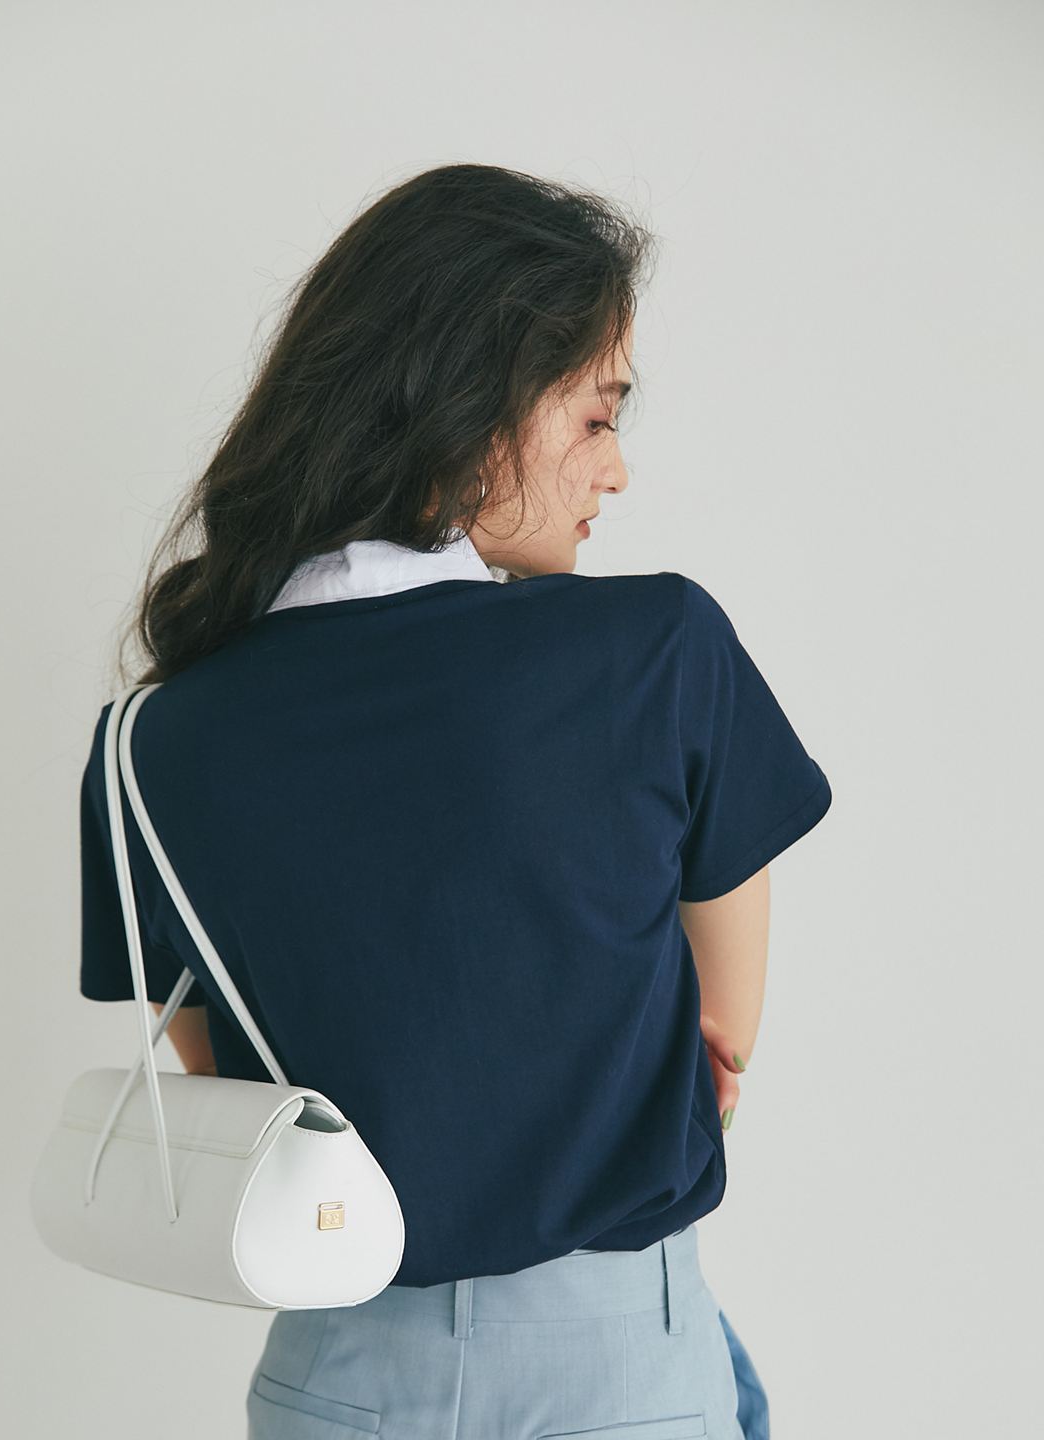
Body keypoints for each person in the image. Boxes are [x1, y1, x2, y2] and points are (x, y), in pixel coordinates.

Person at [77, 163, 830, 1439]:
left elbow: (230, 1076)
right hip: (613, 1369)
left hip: (332, 1374)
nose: (615, 472)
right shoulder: (652, 651)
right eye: (595, 419)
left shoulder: (150, 740)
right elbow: (722, 1043)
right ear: (470, 412)